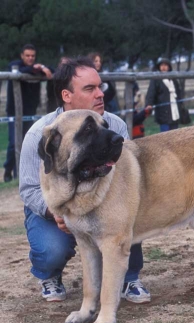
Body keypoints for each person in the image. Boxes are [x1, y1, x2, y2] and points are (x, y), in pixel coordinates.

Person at [19, 57, 151, 303]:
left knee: (124, 217)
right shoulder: (42, 132)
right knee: (51, 250)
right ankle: (49, 275)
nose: (100, 94)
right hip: (57, 211)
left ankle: (129, 277)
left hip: (103, 206)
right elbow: (28, 189)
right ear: (67, 95)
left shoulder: (115, 125)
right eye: (90, 89)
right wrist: (56, 213)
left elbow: (124, 181)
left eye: (100, 86)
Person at [4, 44, 52, 183]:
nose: (30, 58)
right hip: (14, 111)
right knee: (14, 143)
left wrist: (42, 67)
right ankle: (8, 170)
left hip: (30, 111)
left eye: (33, 56)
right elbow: (16, 69)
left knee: (27, 142)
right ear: (22, 56)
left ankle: (23, 172)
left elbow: (52, 70)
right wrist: (38, 68)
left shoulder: (37, 69)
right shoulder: (16, 66)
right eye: (27, 55)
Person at [144, 57, 183, 132]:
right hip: (163, 111)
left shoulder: (173, 79)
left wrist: (180, 103)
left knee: (176, 133)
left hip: (174, 110)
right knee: (165, 135)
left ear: (169, 67)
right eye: (161, 65)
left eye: (165, 65)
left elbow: (178, 92)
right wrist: (149, 103)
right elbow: (151, 92)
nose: (163, 67)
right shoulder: (156, 79)